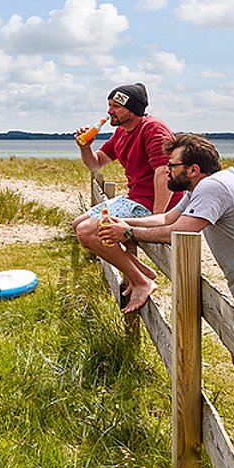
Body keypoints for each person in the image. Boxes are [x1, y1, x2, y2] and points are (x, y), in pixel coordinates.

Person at [99, 134, 234, 465]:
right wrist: (125, 222)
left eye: (172, 166)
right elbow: (167, 219)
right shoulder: (205, 187)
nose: (167, 171)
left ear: (194, 169)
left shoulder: (214, 189)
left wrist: (127, 234)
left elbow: (180, 232)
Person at [72, 83, 179, 313]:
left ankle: (142, 281)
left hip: (153, 204)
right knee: (78, 225)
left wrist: (158, 218)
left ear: (133, 109)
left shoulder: (153, 129)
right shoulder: (121, 132)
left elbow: (164, 172)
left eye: (116, 107)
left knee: (87, 231)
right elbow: (96, 162)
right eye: (109, 105)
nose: (110, 111)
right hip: (135, 198)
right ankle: (141, 271)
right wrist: (85, 147)